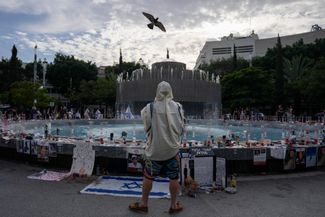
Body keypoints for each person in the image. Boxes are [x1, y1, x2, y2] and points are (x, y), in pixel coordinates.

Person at [128, 81, 185, 214]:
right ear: (170, 91)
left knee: (148, 177)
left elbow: (147, 128)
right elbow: (181, 128)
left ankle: (143, 204)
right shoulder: (178, 107)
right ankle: (173, 205)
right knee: (174, 178)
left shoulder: (149, 107)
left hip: (155, 151)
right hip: (172, 151)